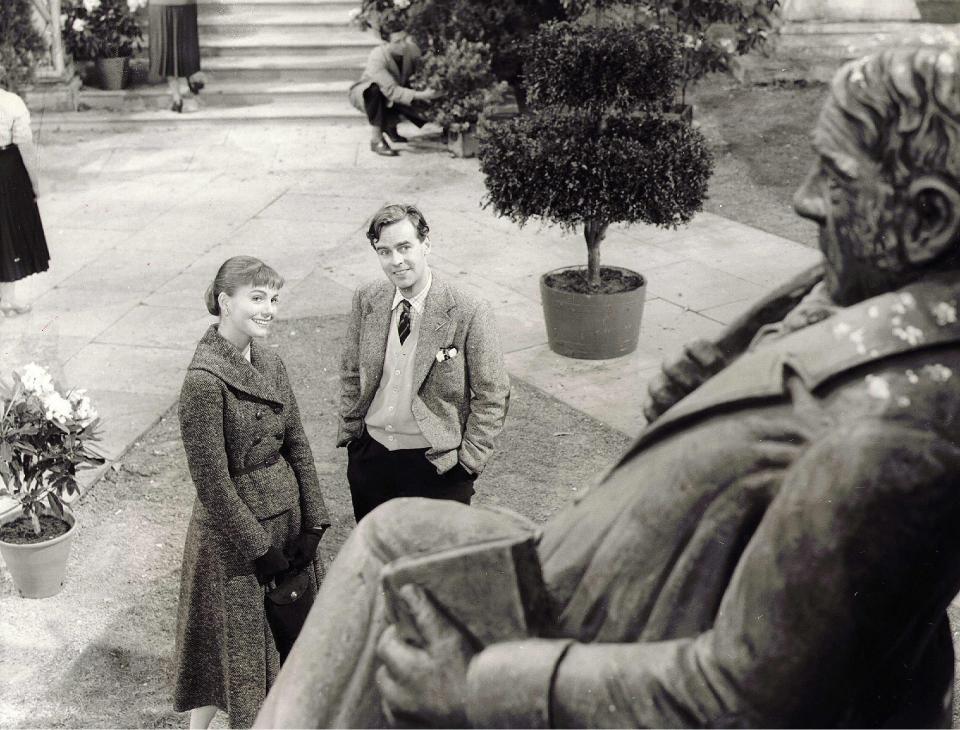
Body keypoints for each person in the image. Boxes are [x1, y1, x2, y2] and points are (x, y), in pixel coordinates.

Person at [255, 47, 960, 728]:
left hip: (594, 625)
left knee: (388, 564)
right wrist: (724, 368)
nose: (806, 199)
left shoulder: (895, 440)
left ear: (928, 220)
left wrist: (480, 689)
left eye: (836, 178)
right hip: (589, 566)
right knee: (389, 537)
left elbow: (742, 697)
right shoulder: (882, 307)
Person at [174, 256, 331, 729]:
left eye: (274, 299)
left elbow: (298, 442)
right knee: (231, 652)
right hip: (237, 540)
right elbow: (212, 482)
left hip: (285, 524)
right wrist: (259, 550)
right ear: (225, 301)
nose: (269, 309)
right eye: (257, 298)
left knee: (286, 640)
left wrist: (315, 522)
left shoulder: (269, 360)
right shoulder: (203, 381)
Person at [338, 203, 510, 522]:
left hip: (438, 468)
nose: (396, 261)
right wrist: (353, 435)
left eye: (405, 247)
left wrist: (467, 463)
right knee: (379, 564)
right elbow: (351, 370)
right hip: (370, 461)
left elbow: (493, 394)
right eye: (384, 251)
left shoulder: (469, 310)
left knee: (434, 570)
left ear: (426, 244)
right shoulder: (367, 298)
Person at [347, 20, 440, 157]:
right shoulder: (377, 56)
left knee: (413, 101)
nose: (403, 45)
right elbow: (391, 91)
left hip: (394, 90)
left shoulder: (412, 49)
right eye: (397, 42)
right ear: (386, 43)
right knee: (375, 91)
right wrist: (425, 95)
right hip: (368, 94)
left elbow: (422, 73)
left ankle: (391, 128)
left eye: (404, 39)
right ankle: (376, 139)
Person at [0, 85, 48, 316]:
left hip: (7, 170)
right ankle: (6, 301)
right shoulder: (10, 102)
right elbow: (25, 145)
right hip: (7, 169)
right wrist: (34, 182)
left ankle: (7, 300)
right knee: (8, 234)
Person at [148, 0, 204, 113]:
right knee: (185, 44)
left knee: (166, 49)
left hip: (162, 6)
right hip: (184, 5)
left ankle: (177, 98)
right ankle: (191, 79)